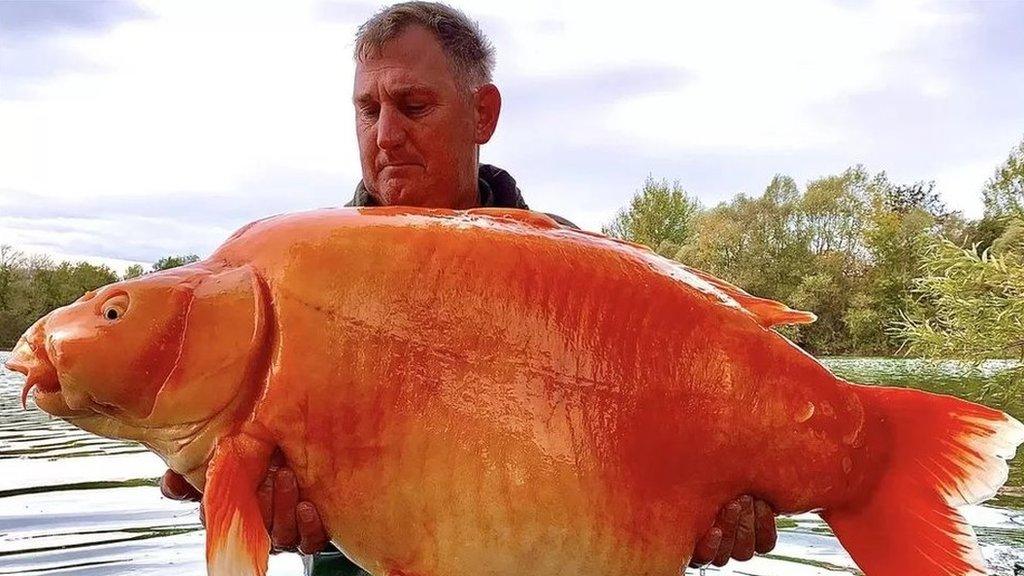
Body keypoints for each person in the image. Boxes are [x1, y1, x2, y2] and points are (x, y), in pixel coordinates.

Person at [161, 2, 779, 574]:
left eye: (413, 106)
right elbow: (222, 472)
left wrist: (704, 516)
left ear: (482, 113)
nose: (385, 135)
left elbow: (650, 473)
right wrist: (238, 496)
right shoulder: (287, 283)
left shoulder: (590, 286)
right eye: (368, 109)